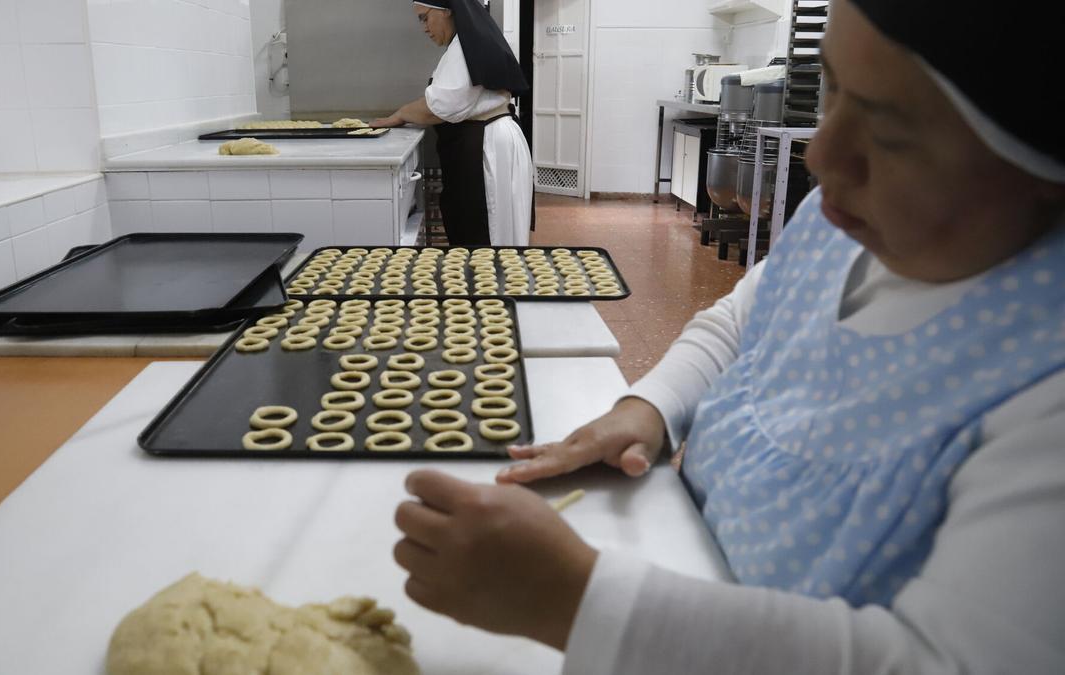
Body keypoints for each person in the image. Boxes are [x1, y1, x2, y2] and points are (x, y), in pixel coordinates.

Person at [391, 0, 1065, 672]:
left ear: (1040, 175)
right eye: (832, 92)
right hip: (684, 575)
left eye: (890, 133)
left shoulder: (1042, 386)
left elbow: (940, 659)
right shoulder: (840, 230)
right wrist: (646, 406)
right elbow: (741, 323)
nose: (823, 155)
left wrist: (577, 601)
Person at [372, 0, 533, 247]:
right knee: (500, 233)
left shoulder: (464, 49)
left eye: (425, 17)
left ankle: (488, 285)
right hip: (497, 141)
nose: (424, 27)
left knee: (485, 235)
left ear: (448, 10)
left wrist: (401, 114)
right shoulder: (470, 42)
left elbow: (440, 107)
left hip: (487, 148)